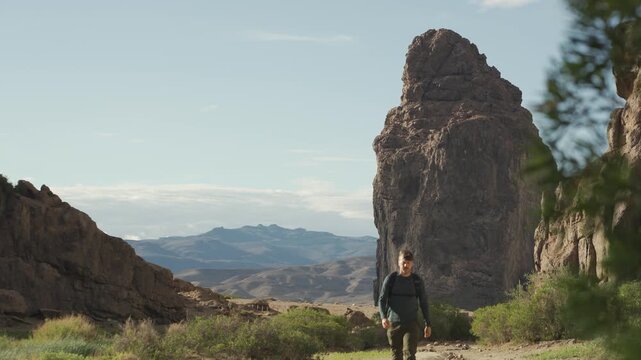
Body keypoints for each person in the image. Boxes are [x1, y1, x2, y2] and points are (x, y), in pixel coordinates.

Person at [378, 249, 431, 360]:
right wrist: (383, 317)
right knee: (396, 355)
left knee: (410, 355)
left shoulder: (417, 281)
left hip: (411, 324)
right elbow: (382, 300)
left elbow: (423, 302)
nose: (406, 265)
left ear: (412, 263)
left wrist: (428, 323)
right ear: (399, 262)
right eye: (403, 262)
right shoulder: (391, 279)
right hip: (393, 324)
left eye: (408, 262)